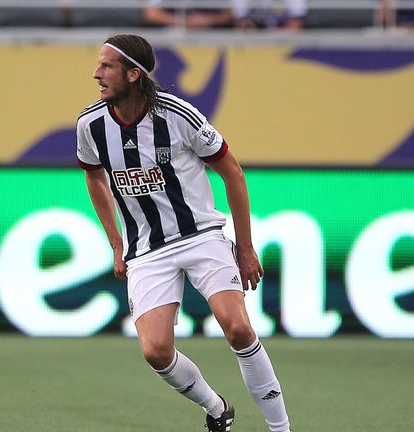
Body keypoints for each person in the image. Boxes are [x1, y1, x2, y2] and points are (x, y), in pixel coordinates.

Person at [76, 34, 292, 432]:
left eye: (106, 66)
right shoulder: (90, 125)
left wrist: (244, 248)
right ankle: (216, 408)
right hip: (147, 251)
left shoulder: (179, 116)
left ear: (133, 74)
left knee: (239, 327)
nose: (96, 73)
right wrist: (116, 241)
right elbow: (94, 178)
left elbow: (232, 172)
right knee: (156, 351)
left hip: (201, 236)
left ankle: (281, 430)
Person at [143, 0, 236, 28]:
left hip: (209, 33)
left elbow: (229, 13)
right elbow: (151, 14)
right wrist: (182, 21)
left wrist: (207, 20)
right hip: (172, 33)